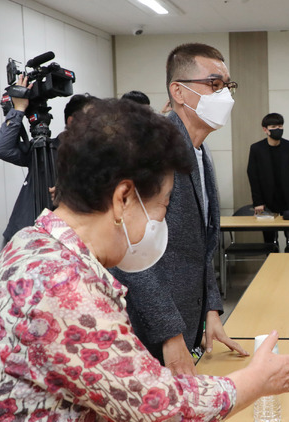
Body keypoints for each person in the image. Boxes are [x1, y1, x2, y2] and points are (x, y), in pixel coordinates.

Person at [0, 98, 289, 422]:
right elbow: (156, 404)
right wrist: (257, 380)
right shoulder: (61, 284)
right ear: (123, 198)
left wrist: (185, 417)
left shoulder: (35, 242)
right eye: (161, 206)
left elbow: (107, 386)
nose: (160, 223)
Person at [110, 43, 248, 375]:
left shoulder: (200, 150)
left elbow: (202, 245)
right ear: (179, 92)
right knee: (158, 417)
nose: (225, 96)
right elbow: (131, 254)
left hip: (188, 315)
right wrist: (170, 333)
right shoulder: (153, 150)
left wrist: (211, 310)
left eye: (228, 86)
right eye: (214, 84)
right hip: (151, 321)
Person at [0, 75, 97, 243]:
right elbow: (2, 148)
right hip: (26, 237)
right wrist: (18, 109)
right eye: (94, 120)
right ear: (71, 121)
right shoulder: (45, 150)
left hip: (71, 241)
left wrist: (74, 195)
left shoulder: (100, 157)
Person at [247, 112, 289, 244]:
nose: (278, 130)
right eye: (274, 127)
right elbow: (253, 176)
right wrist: (257, 201)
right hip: (266, 202)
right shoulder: (256, 149)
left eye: (280, 126)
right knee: (269, 242)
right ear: (265, 129)